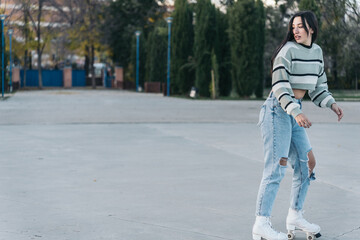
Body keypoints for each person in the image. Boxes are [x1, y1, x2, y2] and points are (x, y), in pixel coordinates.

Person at [252, 11, 344, 240]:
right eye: (293, 26)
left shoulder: (317, 52)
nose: (295, 30)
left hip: (295, 110)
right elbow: (281, 85)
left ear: (311, 28)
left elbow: (319, 85)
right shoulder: (287, 51)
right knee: (276, 167)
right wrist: (295, 112)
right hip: (277, 110)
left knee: (307, 165)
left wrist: (331, 104)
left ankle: (295, 215)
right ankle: (261, 224)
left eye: (300, 26)